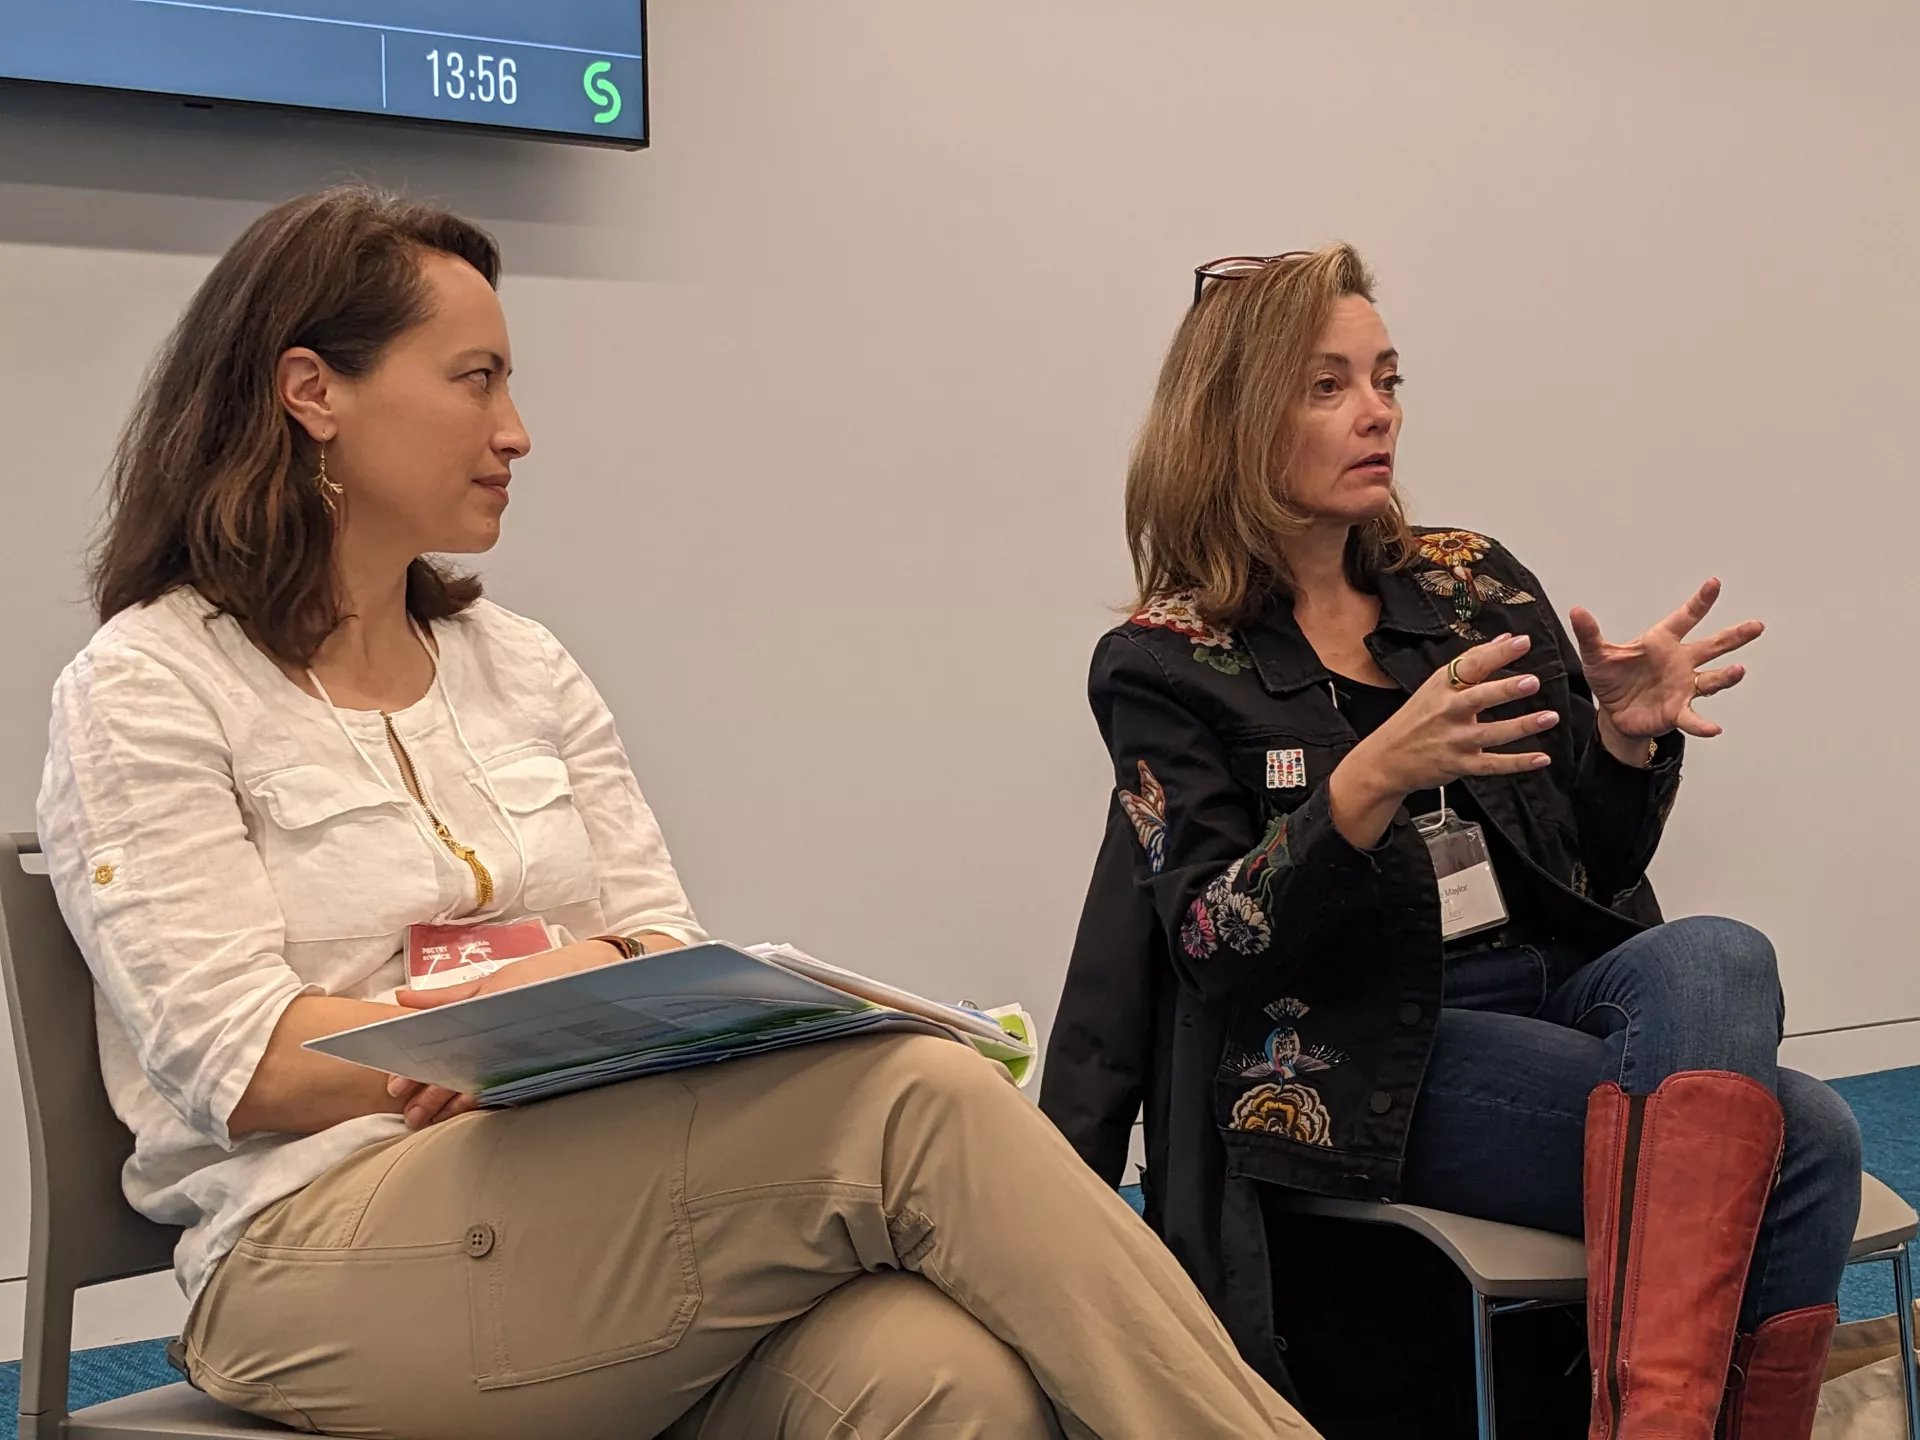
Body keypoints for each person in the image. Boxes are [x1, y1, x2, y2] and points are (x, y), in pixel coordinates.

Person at [35, 186, 1318, 1440]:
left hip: (588, 1200)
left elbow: (656, 943)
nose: (516, 429)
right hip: (311, 1257)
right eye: (474, 379)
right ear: (314, 392)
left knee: (944, 1383)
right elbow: (244, 1064)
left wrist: (571, 998)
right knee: (912, 1099)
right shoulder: (148, 685)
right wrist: (492, 1035)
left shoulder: (522, 665)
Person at [1039, 245, 1861, 1440]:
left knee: (1720, 952)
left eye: (1386, 377)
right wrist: (1364, 782)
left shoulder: (1472, 583)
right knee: (1814, 1140)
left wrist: (1629, 743)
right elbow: (1213, 941)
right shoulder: (1165, 663)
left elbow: (1597, 855)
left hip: (1548, 984)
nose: (1379, 413)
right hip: (1358, 1043)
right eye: (1327, 387)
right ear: (1228, 422)